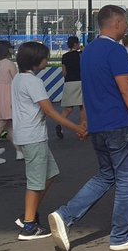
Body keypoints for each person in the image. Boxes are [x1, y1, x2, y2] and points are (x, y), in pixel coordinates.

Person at [48, 5, 128, 251]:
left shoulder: (89, 51)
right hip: (119, 123)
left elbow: (89, 88)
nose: (127, 27)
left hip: (98, 125)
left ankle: (66, 215)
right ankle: (121, 235)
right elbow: (126, 89)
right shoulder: (116, 51)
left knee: (106, 175)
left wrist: (86, 118)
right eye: (125, 22)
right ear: (116, 23)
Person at [11, 42, 86, 240]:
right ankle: (28, 224)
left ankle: (29, 213)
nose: (47, 60)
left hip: (28, 135)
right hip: (33, 136)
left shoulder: (19, 78)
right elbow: (49, 111)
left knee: (50, 174)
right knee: (36, 181)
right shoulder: (33, 82)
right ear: (36, 61)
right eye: (44, 58)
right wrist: (77, 127)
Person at [57, 36, 84, 140]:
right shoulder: (81, 55)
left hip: (69, 82)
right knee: (82, 107)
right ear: (75, 44)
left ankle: (60, 123)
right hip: (80, 81)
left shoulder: (65, 56)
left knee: (68, 108)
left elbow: (64, 72)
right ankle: (81, 130)